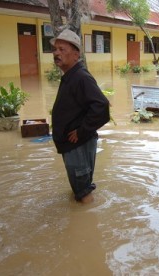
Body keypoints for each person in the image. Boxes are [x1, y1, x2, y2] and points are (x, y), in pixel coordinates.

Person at [50, 29, 110, 203]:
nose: (56, 53)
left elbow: (101, 105)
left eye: (62, 49)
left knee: (84, 192)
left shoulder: (81, 77)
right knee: (79, 188)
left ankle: (88, 224)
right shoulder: (70, 76)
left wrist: (82, 131)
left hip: (78, 145)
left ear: (76, 55)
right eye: (55, 49)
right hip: (71, 146)